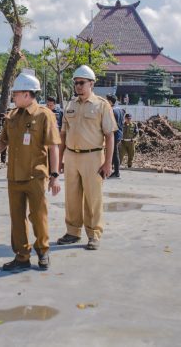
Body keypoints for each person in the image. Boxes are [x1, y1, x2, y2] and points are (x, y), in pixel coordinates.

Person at [0, 69, 61, 271]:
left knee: (39, 217)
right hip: (14, 177)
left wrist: (55, 176)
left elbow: (54, 146)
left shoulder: (44, 115)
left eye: (15, 93)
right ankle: (22, 256)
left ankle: (43, 251)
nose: (13, 96)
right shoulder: (12, 117)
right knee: (17, 219)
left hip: (36, 176)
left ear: (27, 94)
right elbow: (3, 142)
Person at [57, 65, 117, 251]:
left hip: (92, 156)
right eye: (76, 83)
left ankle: (93, 234)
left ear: (91, 84)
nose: (78, 86)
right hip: (71, 156)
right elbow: (63, 135)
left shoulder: (102, 105)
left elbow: (110, 135)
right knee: (72, 197)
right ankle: (73, 232)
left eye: (82, 83)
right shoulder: (70, 105)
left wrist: (107, 163)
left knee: (93, 198)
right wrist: (59, 160)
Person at [106, 94, 125, 179]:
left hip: (114, 134)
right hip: (120, 133)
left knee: (114, 153)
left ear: (110, 101)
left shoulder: (112, 110)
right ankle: (113, 170)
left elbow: (111, 124)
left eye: (106, 100)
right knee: (114, 152)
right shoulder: (120, 109)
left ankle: (116, 172)